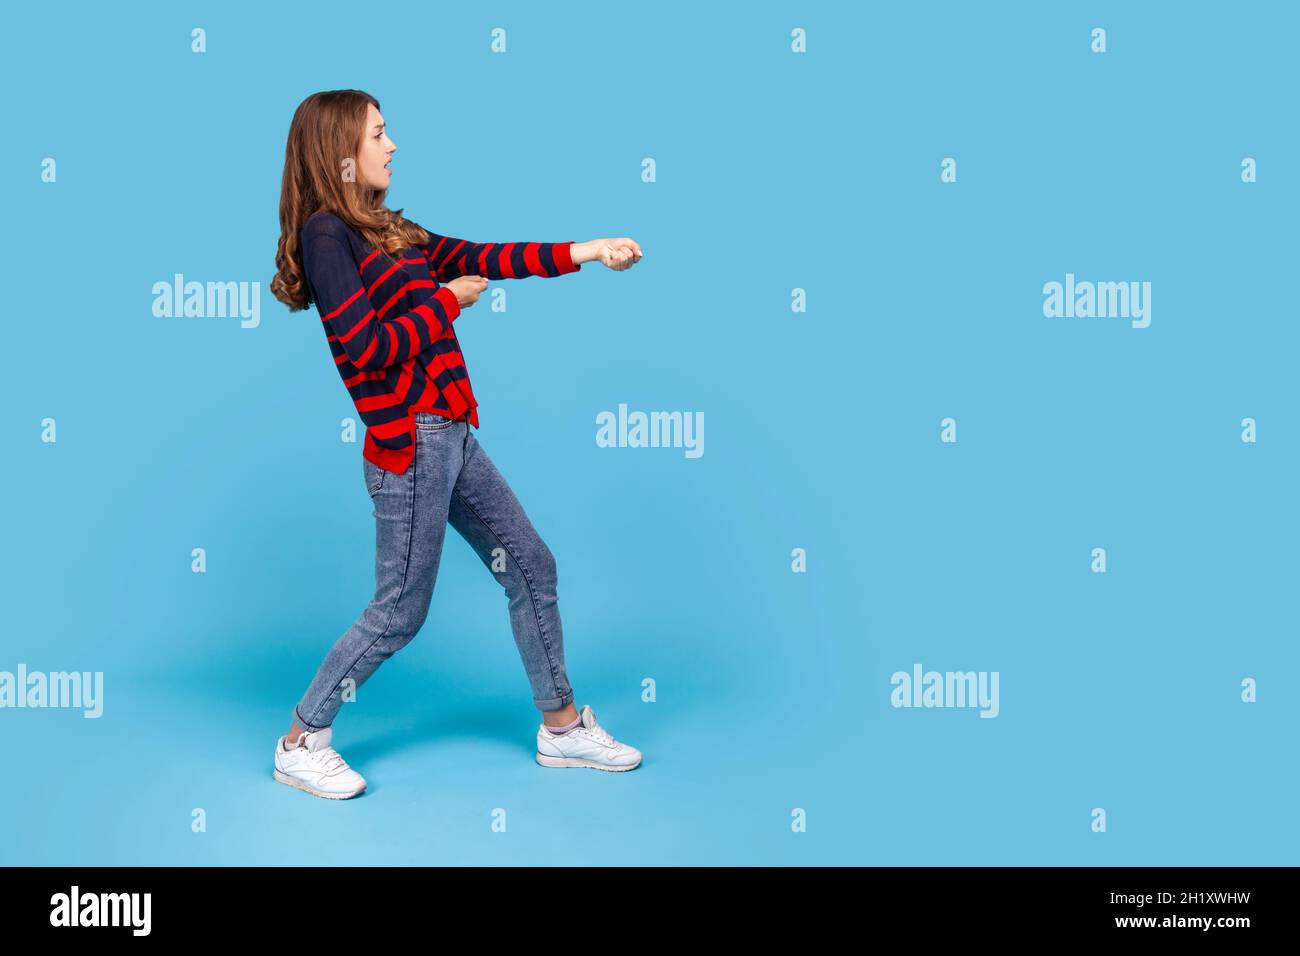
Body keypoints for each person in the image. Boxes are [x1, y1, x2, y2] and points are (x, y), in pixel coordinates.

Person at [269, 89, 644, 799]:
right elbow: (364, 347)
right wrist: (446, 304)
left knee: (531, 564)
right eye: (379, 133)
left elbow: (482, 255)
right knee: (399, 612)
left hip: (452, 436)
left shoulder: (386, 230)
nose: (392, 144)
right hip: (409, 445)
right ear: (340, 151)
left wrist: (588, 251)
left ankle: (562, 728)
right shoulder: (328, 236)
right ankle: (301, 739)